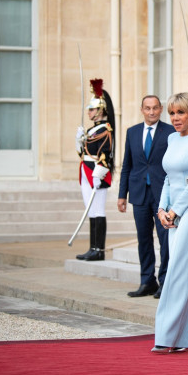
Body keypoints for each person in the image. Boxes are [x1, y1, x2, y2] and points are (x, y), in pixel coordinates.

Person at [152, 92, 188, 353]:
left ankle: (170, 334)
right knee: (184, 266)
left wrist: (174, 211)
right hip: (172, 207)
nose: (175, 118)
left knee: (177, 267)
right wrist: (162, 208)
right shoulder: (171, 137)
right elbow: (168, 177)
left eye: (181, 113)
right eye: (172, 113)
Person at [118, 95, 175, 298]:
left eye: (155, 108)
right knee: (143, 239)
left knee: (165, 238)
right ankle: (146, 281)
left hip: (163, 196)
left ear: (161, 109)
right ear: (142, 109)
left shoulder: (170, 131)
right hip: (139, 194)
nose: (151, 112)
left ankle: (165, 282)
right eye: (147, 108)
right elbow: (127, 165)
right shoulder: (132, 132)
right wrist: (121, 194)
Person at [75, 79, 115, 261]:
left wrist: (99, 174)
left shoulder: (105, 129)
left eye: (91, 109)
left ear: (100, 110)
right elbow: (83, 152)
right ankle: (93, 247)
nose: (89, 112)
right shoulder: (93, 129)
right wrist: (79, 140)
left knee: (97, 209)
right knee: (91, 210)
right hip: (86, 170)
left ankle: (99, 249)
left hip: (96, 173)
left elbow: (106, 154)